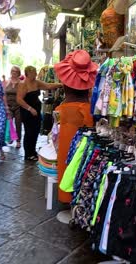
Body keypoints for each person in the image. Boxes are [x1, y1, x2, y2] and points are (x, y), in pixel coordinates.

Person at [54, 50, 97, 203]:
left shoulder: (62, 109)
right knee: (83, 162)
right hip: (86, 112)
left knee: (67, 159)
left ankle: (67, 196)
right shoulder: (89, 107)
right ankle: (80, 199)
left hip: (68, 114)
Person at [16, 66, 62, 161]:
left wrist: (61, 84)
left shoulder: (36, 82)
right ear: (27, 74)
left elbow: (48, 86)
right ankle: (28, 154)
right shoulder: (23, 84)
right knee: (29, 132)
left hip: (36, 111)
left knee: (36, 131)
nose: (36, 74)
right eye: (34, 73)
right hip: (27, 112)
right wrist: (30, 109)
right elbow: (19, 100)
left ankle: (33, 151)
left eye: (35, 72)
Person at [4, 66, 22, 148]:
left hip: (18, 106)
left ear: (18, 73)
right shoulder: (7, 82)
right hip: (9, 105)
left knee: (18, 124)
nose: (14, 72)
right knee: (9, 122)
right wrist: (5, 106)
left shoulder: (22, 83)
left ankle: (18, 141)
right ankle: (11, 137)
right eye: (13, 71)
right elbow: (3, 94)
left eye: (16, 71)